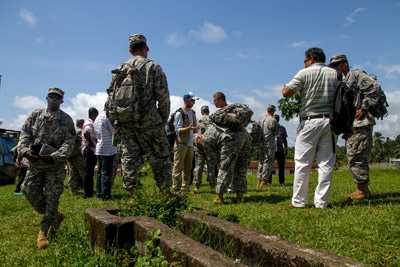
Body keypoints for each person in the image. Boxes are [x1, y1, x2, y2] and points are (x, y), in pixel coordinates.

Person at [106, 34, 171, 193]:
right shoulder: (153, 67)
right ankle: (166, 195)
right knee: (161, 158)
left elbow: (110, 98)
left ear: (130, 50)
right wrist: (162, 120)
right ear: (146, 48)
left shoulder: (119, 69)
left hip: (125, 122)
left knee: (129, 159)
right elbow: (163, 98)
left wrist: (117, 119)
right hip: (150, 122)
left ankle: (132, 196)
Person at [17, 87, 75, 249]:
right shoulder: (35, 115)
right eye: (51, 96)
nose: (54, 99)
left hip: (54, 166)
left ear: (62, 100)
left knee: (52, 197)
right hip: (35, 164)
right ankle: (54, 216)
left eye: (57, 97)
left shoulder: (66, 120)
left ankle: (44, 231)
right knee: (28, 190)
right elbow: (25, 134)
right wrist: (26, 151)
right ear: (46, 98)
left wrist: (54, 156)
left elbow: (69, 143)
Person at [283, 47, 339, 208]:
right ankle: (322, 202)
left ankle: (299, 202)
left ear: (312, 58)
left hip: (309, 121)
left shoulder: (304, 73)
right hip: (329, 122)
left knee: (302, 163)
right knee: (326, 163)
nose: (304, 63)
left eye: (305, 60)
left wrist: (283, 87)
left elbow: (286, 93)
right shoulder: (335, 74)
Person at [329, 54, 377, 200]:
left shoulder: (355, 74)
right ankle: (362, 189)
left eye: (336, 66)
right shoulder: (345, 79)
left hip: (361, 123)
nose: (335, 69)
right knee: (354, 155)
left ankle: (362, 191)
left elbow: (374, 87)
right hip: (354, 124)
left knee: (356, 156)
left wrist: (363, 108)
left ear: (344, 64)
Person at [203, 92, 252, 204]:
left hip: (232, 138)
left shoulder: (220, 113)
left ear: (220, 100)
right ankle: (240, 196)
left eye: (214, 100)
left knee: (226, 165)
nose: (214, 103)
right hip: (245, 136)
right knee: (241, 167)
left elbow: (211, 135)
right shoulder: (235, 109)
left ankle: (219, 196)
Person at [171, 93, 197, 192]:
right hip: (181, 143)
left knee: (188, 167)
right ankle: (175, 187)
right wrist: (188, 128)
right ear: (186, 101)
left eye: (194, 101)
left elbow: (194, 129)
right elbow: (177, 130)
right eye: (192, 100)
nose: (194, 102)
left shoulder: (193, 113)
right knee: (178, 167)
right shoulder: (179, 113)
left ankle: (185, 187)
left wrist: (195, 130)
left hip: (190, 144)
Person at [94, 110, 117, 200]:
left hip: (99, 148)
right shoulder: (106, 117)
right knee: (106, 173)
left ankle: (99, 194)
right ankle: (106, 195)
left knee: (100, 173)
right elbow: (113, 131)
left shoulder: (97, 118)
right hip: (108, 149)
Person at [257, 105, 278, 189]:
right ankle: (264, 182)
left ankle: (258, 182)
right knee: (268, 162)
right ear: (273, 111)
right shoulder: (273, 120)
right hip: (269, 143)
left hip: (261, 143)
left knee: (261, 162)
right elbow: (275, 133)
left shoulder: (260, 119)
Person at [193, 105, 212, 191]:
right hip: (210, 146)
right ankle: (212, 185)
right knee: (211, 166)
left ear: (201, 111)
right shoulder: (212, 120)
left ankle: (197, 186)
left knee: (199, 166)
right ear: (208, 111)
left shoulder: (198, 120)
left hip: (199, 145)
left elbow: (195, 132)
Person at [82, 108, 98, 198]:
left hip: (89, 149)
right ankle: (87, 193)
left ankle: (89, 191)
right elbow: (86, 133)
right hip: (89, 150)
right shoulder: (89, 123)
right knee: (88, 172)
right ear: (93, 114)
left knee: (90, 172)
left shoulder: (88, 122)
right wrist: (92, 144)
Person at [66, 119, 85, 195]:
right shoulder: (76, 132)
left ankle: (73, 189)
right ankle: (87, 188)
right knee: (83, 171)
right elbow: (79, 142)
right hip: (76, 155)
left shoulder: (65, 133)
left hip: (69, 155)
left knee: (72, 172)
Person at [274, 114, 288, 186]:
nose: (276, 119)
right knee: (269, 166)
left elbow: (285, 140)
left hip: (280, 150)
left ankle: (282, 182)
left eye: (277, 118)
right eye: (275, 118)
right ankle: (268, 181)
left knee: (281, 166)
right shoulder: (270, 128)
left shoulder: (282, 128)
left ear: (279, 119)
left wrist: (286, 148)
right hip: (271, 149)